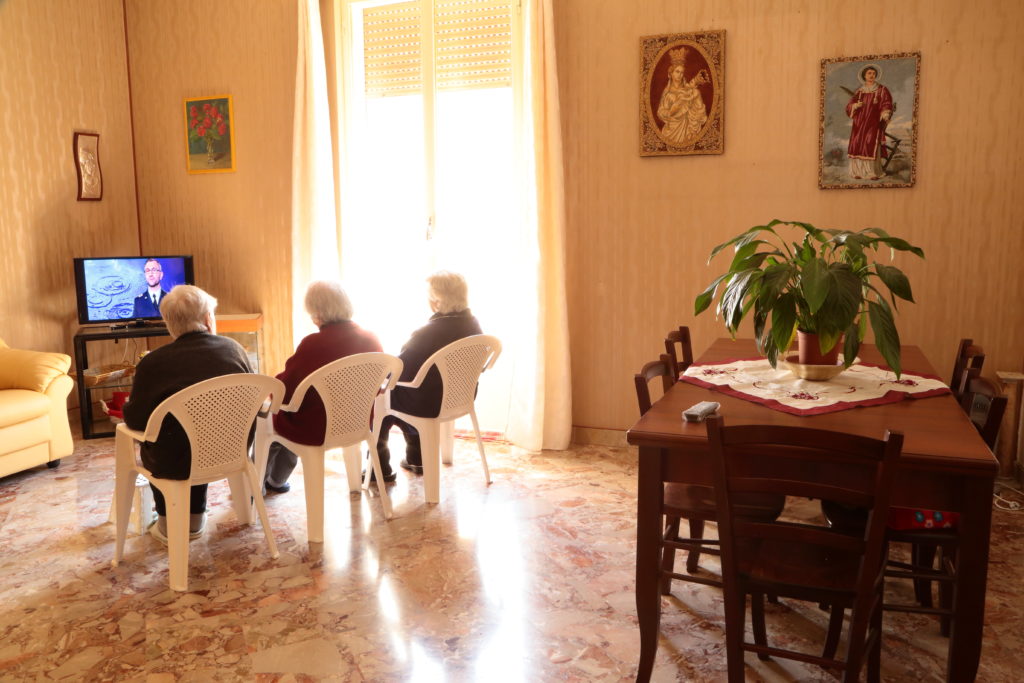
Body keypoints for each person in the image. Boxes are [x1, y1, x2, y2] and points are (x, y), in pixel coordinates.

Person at [123, 285, 252, 544]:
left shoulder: (153, 363)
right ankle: (194, 517)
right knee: (198, 431)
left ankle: (170, 522)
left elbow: (137, 421)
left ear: (169, 324)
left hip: (177, 461)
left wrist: (127, 405)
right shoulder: (234, 349)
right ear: (207, 319)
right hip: (232, 450)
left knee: (165, 436)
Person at [264, 280, 382, 492]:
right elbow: (380, 385)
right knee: (292, 413)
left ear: (317, 313)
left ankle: (265, 484)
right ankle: (276, 481)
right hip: (358, 422)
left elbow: (284, 393)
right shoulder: (371, 339)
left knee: (270, 420)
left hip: (317, 429)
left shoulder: (312, 344)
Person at [377, 271, 482, 476]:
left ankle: (379, 469)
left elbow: (400, 371)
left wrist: (381, 378)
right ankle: (416, 458)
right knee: (412, 389)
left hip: (430, 403)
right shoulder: (473, 324)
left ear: (436, 301)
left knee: (382, 397)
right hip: (461, 396)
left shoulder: (428, 332)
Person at [845, 64, 893, 180]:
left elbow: (887, 103)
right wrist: (855, 105)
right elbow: (849, 106)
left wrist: (885, 112)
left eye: (873, 73)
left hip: (873, 122)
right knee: (857, 143)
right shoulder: (860, 91)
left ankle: (872, 172)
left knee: (870, 143)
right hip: (859, 122)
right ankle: (857, 171)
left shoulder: (882, 90)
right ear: (864, 76)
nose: (872, 75)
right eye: (869, 73)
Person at [656, 46, 709, 147]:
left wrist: (693, 98)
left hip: (688, 127)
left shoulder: (689, 90)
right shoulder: (667, 93)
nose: (680, 75)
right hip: (672, 130)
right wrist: (673, 111)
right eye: (677, 72)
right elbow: (661, 112)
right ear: (670, 73)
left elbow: (698, 111)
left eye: (681, 72)